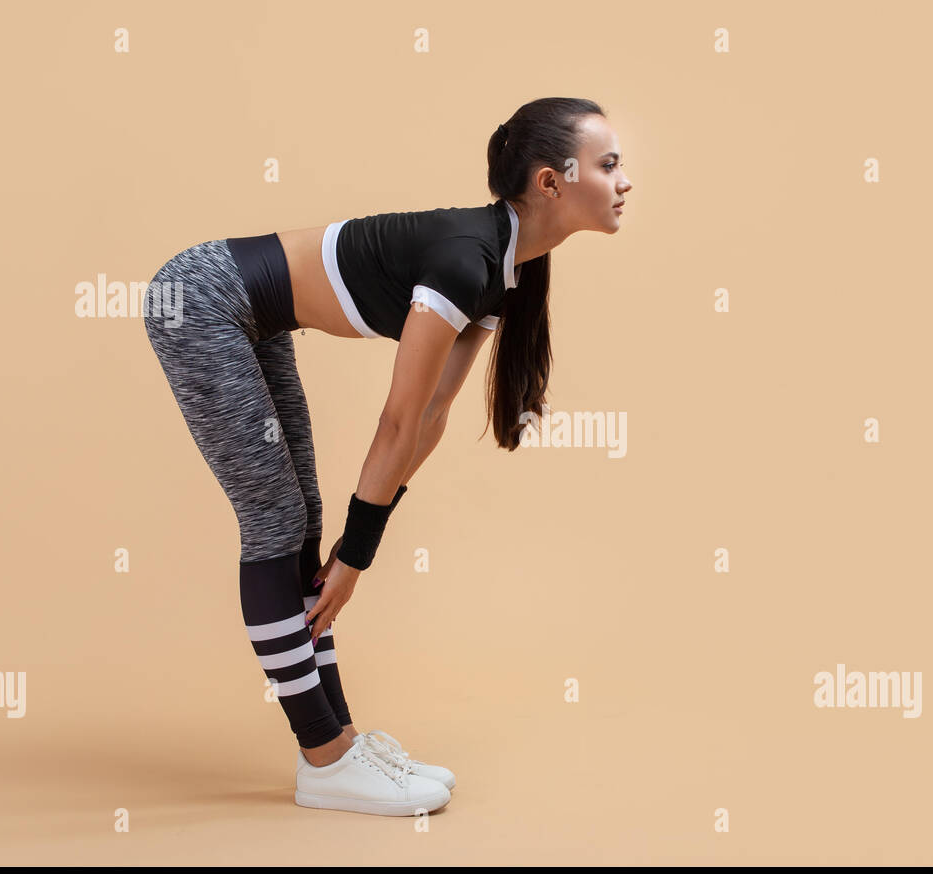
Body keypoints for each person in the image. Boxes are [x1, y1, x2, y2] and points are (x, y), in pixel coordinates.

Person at [142, 97, 632, 816]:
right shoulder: (467, 260)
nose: (625, 180)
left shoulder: (499, 268)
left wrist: (352, 546)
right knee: (275, 524)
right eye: (609, 164)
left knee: (300, 520)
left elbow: (432, 416)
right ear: (551, 182)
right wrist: (358, 557)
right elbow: (398, 418)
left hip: (252, 315)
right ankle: (326, 761)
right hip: (199, 300)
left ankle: (340, 740)